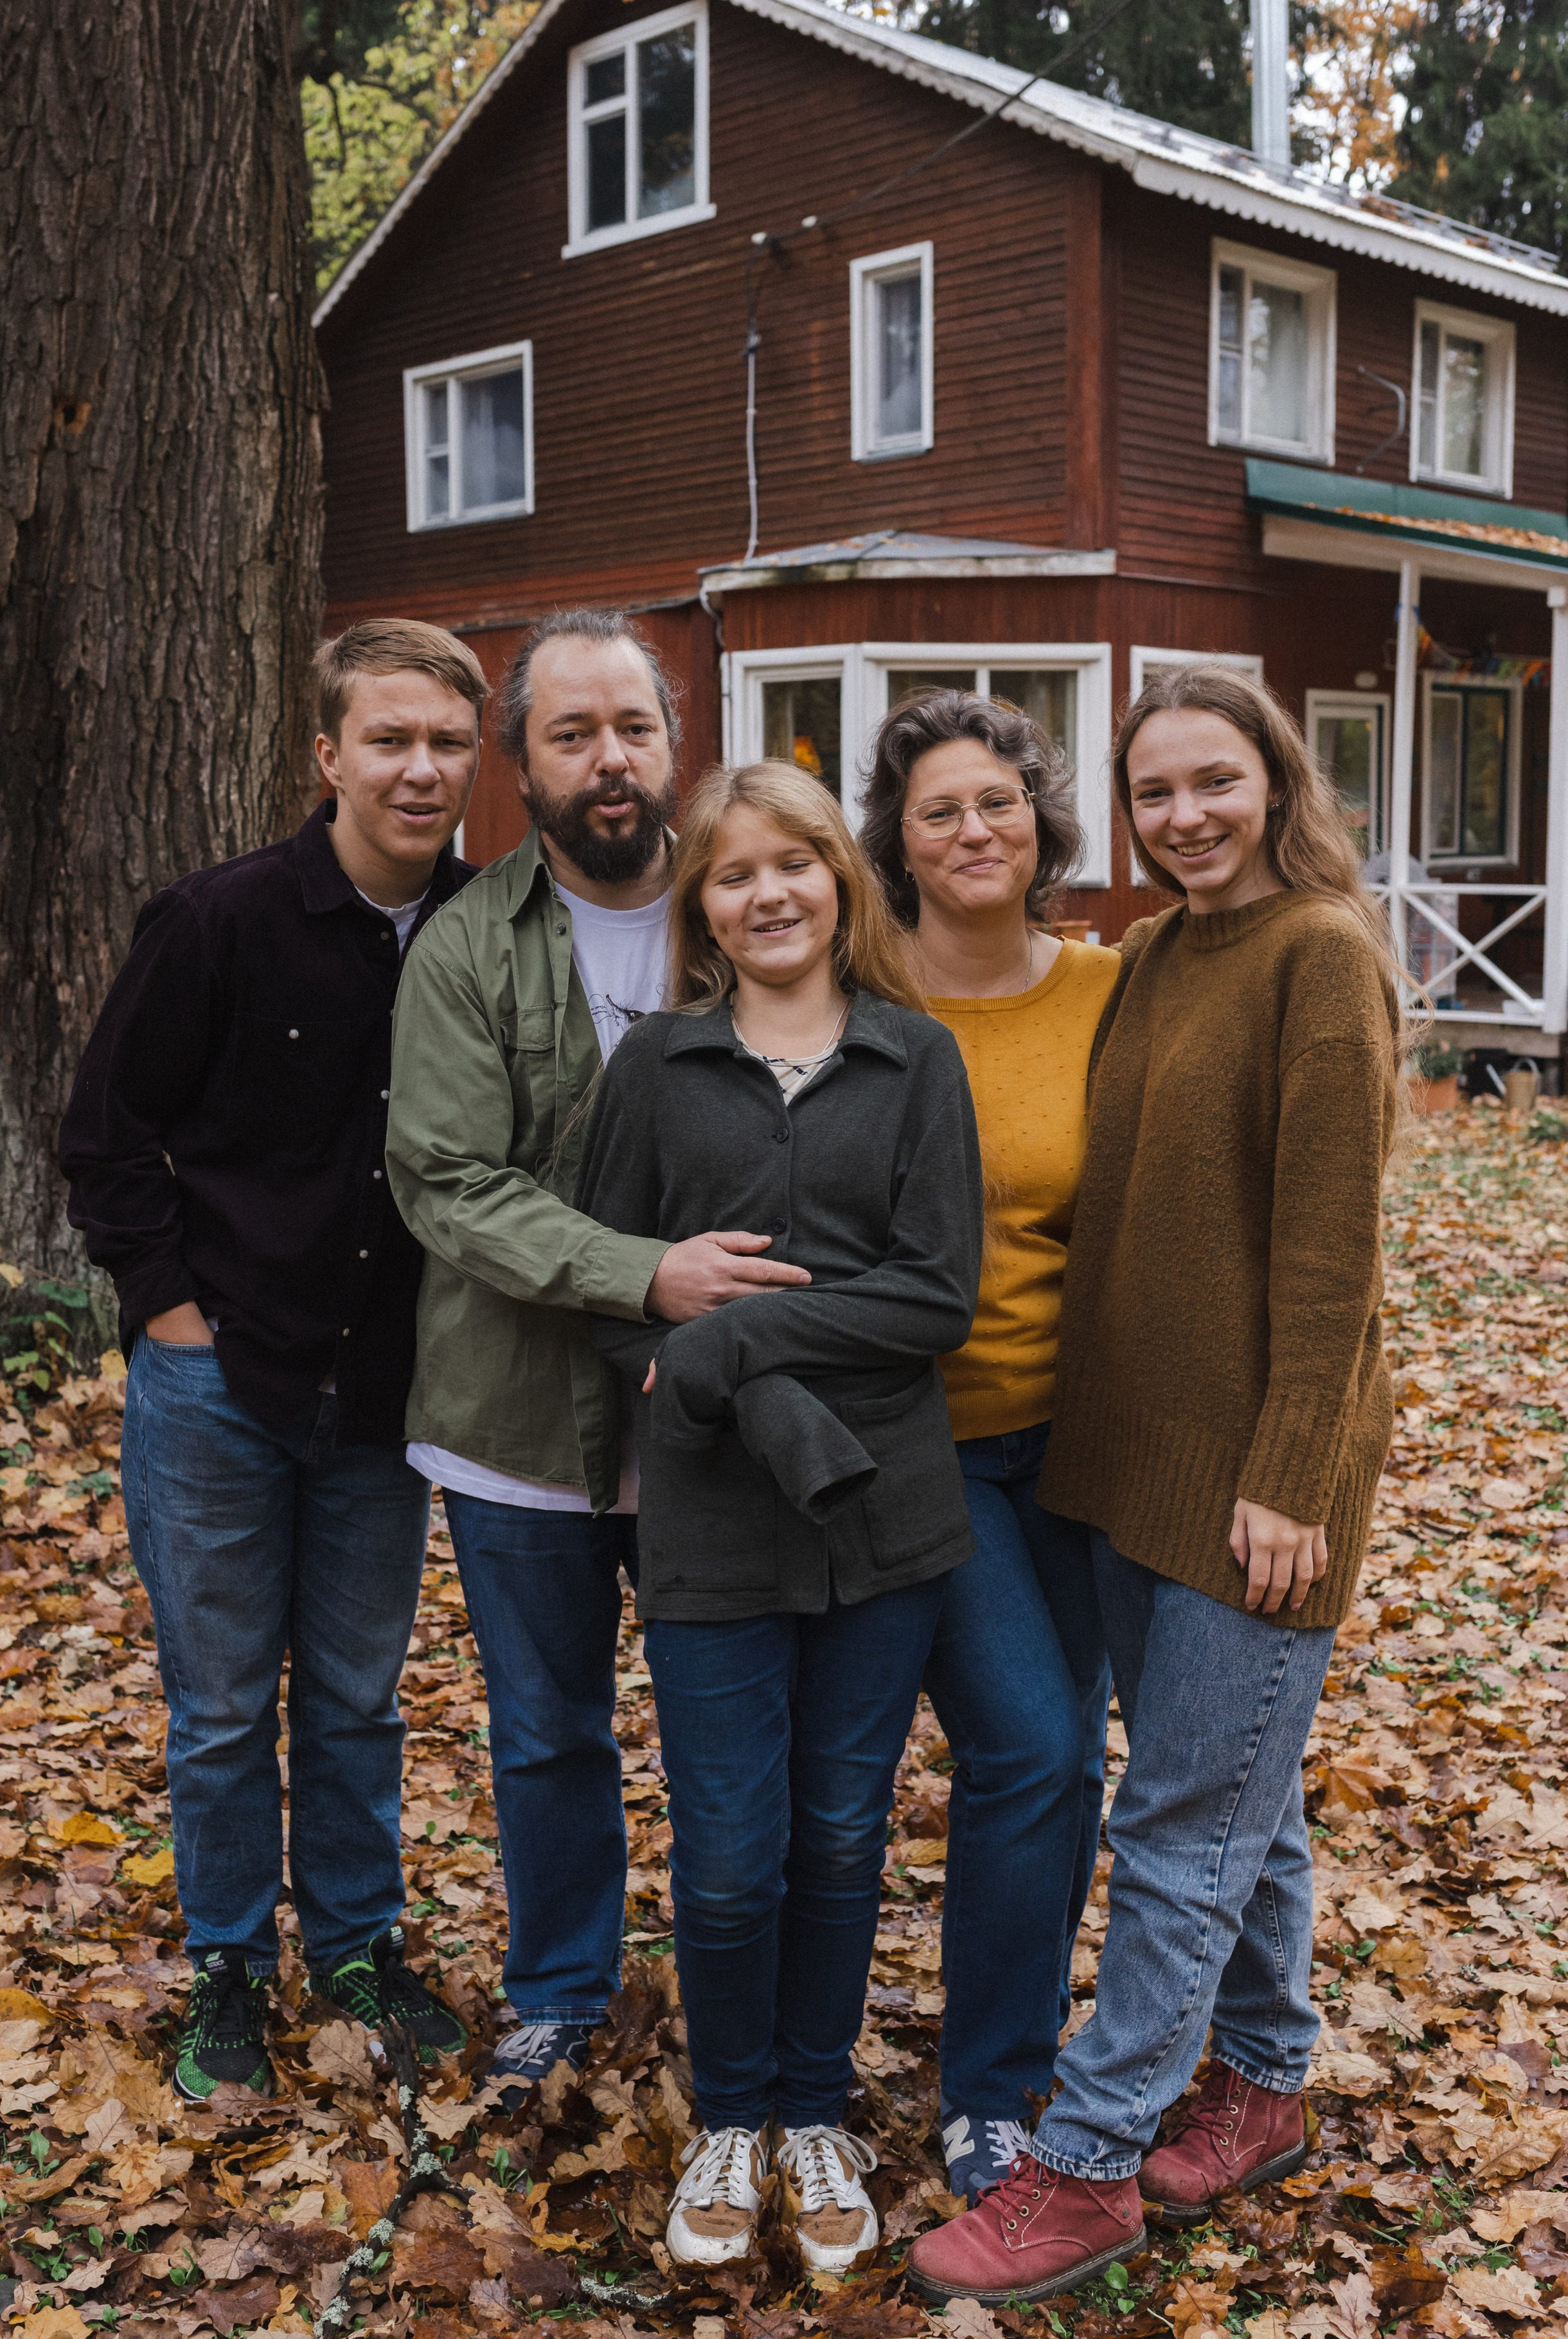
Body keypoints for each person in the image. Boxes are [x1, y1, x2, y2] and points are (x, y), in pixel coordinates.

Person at [909, 664, 1402, 2308]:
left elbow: (1333, 1250)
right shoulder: (1157, 958)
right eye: (1153, 793)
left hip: (1258, 1477)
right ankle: (1260, 2078)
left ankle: (1088, 2166)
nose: (1183, 816)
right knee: (1234, 1807)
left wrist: (1285, 1477)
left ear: (1272, 779)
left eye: (1213, 782)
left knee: (1181, 1824)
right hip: (1122, 1459)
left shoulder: (1319, 958)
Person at [386, 612, 813, 2099]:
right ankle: (560, 1992)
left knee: (732, 1733)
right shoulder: (462, 945)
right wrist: (645, 1275)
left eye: (630, 726)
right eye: (570, 735)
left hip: (721, 1420)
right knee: (550, 1730)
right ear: (522, 766)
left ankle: (738, 1998)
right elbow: (445, 1180)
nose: (607, 758)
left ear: (671, 742)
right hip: (513, 1423)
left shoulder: (747, 913)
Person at [58, 618, 486, 2101]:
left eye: (444, 742)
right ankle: (232, 1963)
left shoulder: (493, 932)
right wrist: (169, 1312)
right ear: (327, 756)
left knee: (359, 1697)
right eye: (389, 739)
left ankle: (357, 1941)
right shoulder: (219, 921)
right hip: (220, 1381)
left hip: (388, 1393)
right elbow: (106, 1138)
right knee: (226, 1701)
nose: (418, 768)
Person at [575, 760, 984, 2277]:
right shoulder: (658, 1067)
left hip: (883, 1510)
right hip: (709, 1519)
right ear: (706, 908)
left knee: (836, 1830)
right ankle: (731, 2118)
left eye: (794, 865)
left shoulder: (912, 1058)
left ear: (837, 880)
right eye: (735, 875)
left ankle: (817, 2108)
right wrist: (688, 1355)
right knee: (734, 1846)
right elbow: (612, 1287)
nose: (768, 894)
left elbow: (937, 1294)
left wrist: (736, 1337)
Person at [858, 689, 1118, 2198]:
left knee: (1054, 1763)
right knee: (1031, 1742)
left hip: (1073, 1441)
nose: (974, 829)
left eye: (999, 801)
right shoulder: (854, 991)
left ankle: (1003, 2066)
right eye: (940, 808)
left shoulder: (1107, 987)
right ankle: (991, 2093)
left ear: (1040, 820)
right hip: (918, 1440)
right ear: (895, 837)